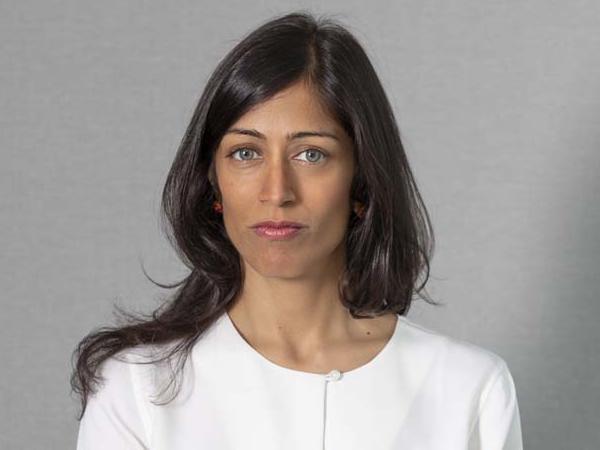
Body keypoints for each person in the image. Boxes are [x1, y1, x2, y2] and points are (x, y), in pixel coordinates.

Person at [72, 10, 523, 450]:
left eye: (311, 154)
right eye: (246, 153)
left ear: (362, 183)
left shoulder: (468, 390)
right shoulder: (136, 388)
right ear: (213, 183)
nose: (277, 192)